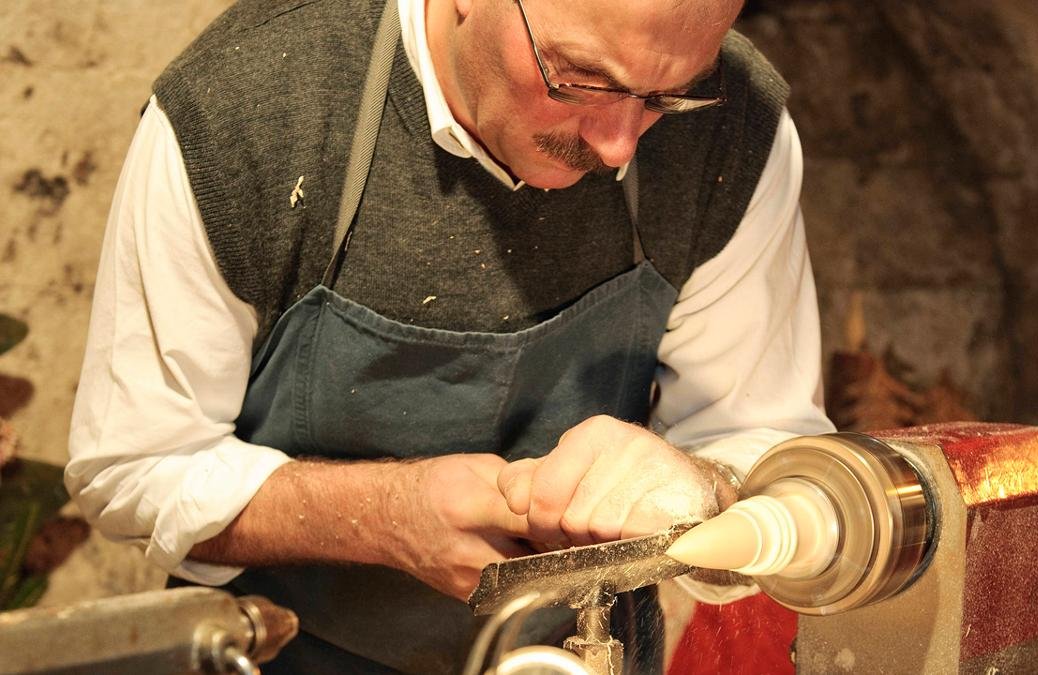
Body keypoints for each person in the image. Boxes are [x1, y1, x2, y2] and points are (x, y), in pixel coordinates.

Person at [66, 0, 833, 671]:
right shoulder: (244, 111)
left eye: (669, 95)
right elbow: (134, 465)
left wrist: (702, 485)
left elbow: (766, 447)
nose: (619, 143)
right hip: (284, 651)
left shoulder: (739, 128)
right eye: (580, 79)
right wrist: (386, 515)